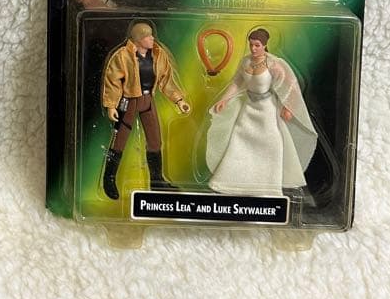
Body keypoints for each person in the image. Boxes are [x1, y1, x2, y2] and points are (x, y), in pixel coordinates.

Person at [206, 28, 317, 196]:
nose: (253, 48)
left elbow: (291, 86)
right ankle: (230, 182)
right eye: (251, 45)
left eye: (257, 45)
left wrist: (288, 107)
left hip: (267, 110)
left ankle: (268, 185)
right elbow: (236, 82)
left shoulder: (273, 64)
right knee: (240, 139)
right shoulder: (245, 62)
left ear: (264, 45)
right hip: (248, 108)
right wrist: (224, 99)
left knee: (271, 143)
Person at [100, 22, 191, 199]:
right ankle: (109, 178)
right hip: (129, 101)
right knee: (119, 141)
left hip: (148, 100)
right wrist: (111, 105)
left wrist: (179, 100)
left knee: (155, 140)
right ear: (139, 39)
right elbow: (112, 81)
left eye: (151, 35)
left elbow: (166, 80)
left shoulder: (158, 54)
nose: (152, 38)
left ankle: (157, 181)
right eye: (148, 36)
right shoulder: (123, 56)